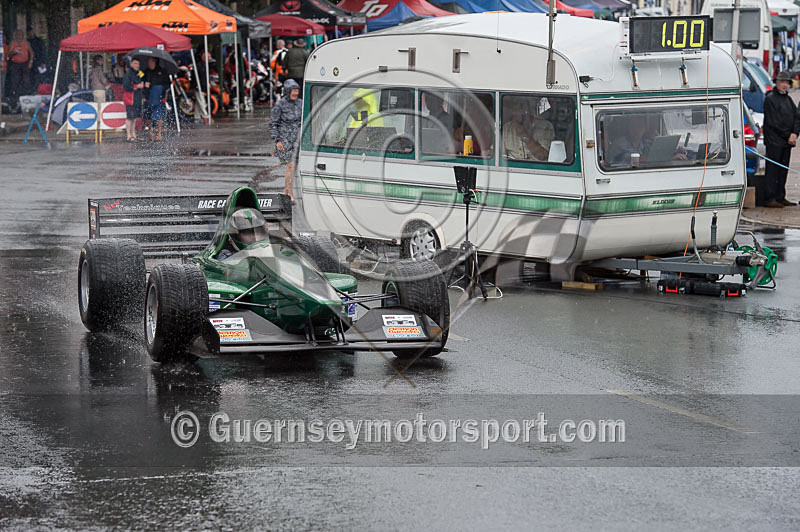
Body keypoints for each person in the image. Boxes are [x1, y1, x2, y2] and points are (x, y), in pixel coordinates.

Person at [761, 70, 800, 208]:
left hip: (786, 142)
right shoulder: (770, 99)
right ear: (776, 83)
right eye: (782, 82)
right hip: (774, 141)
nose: (784, 85)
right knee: (772, 171)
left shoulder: (788, 99)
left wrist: (795, 133)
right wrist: (788, 135)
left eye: (786, 83)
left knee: (783, 170)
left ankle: (780, 196)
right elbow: (773, 122)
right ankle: (770, 197)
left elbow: (796, 117)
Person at [269, 79, 303, 201]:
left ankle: (286, 190)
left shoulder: (301, 103)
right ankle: (289, 192)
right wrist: (277, 140)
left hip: (297, 141)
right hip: (285, 141)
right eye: (293, 91)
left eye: (297, 91)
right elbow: (273, 123)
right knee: (291, 166)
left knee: (293, 167)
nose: (296, 93)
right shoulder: (280, 105)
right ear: (288, 91)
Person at [144, 57, 169, 141]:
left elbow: (167, 84)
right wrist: (145, 85)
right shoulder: (146, 71)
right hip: (148, 97)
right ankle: (150, 132)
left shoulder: (162, 71)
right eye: (148, 62)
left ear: (155, 62)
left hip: (159, 97)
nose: (149, 64)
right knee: (148, 116)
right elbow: (142, 82)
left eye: (151, 62)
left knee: (159, 115)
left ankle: (159, 133)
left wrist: (161, 88)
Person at [7, 30, 33, 104]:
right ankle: (15, 97)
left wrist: (31, 62)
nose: (19, 36)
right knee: (15, 81)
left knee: (26, 80)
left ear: (23, 36)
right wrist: (14, 52)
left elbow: (31, 53)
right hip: (15, 64)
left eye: (20, 35)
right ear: (15, 36)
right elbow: (8, 55)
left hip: (24, 64)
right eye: (17, 35)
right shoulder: (12, 43)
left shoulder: (26, 43)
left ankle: (26, 95)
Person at [123, 58, 145, 142]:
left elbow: (141, 82)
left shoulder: (138, 74)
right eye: (135, 63)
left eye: (138, 64)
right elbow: (126, 86)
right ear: (131, 64)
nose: (137, 65)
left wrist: (142, 85)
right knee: (130, 117)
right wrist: (137, 86)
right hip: (130, 99)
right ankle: (129, 136)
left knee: (135, 118)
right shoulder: (128, 74)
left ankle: (133, 134)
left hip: (137, 99)